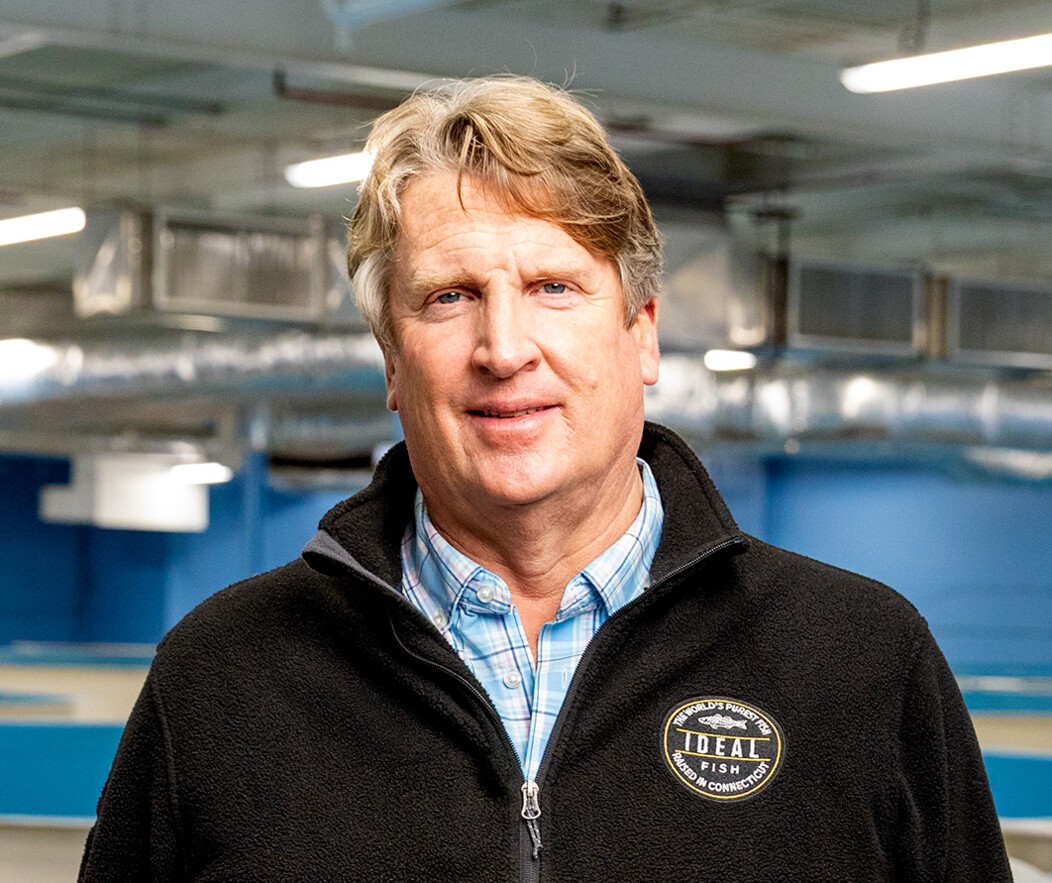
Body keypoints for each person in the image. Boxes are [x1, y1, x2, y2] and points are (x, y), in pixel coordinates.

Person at [80, 76, 1011, 882]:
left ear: (642, 329)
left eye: (554, 287)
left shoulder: (862, 662)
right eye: (450, 297)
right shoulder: (220, 677)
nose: (504, 348)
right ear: (392, 362)